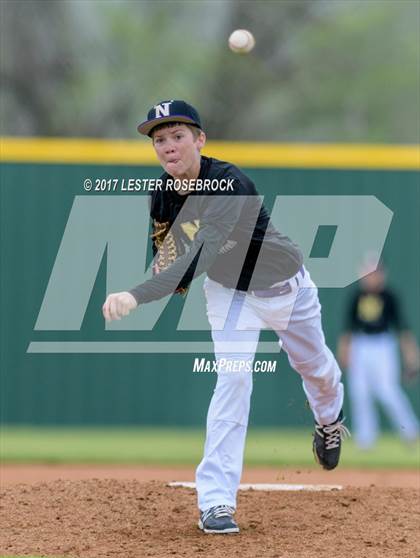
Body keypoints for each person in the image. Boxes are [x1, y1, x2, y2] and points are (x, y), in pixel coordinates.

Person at [103, 100, 348, 534]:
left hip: (288, 287)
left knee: (319, 372)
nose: (168, 146)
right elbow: (171, 266)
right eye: (159, 140)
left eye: (178, 136)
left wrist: (137, 295)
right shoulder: (162, 195)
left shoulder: (229, 183)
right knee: (233, 380)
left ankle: (328, 422)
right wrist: (150, 286)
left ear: (200, 140)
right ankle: (215, 502)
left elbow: (198, 256)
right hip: (231, 294)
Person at [337, 262, 419, 449]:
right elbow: (347, 330)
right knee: (360, 392)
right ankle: (365, 439)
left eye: (375, 274)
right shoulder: (356, 296)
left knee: (388, 390)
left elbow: (403, 329)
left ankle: (411, 432)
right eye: (367, 274)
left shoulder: (389, 296)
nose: (371, 278)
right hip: (360, 345)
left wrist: (411, 357)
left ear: (382, 275)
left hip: (383, 345)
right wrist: (344, 353)